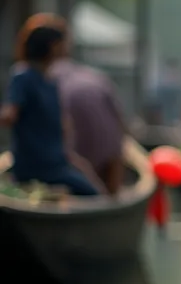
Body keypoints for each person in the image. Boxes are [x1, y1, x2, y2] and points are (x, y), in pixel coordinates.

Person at [1, 22, 103, 196]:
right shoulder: (24, 77)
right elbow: (9, 115)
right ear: (52, 46)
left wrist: (69, 155)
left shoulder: (51, 81)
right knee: (92, 194)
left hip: (56, 162)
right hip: (38, 166)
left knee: (91, 185)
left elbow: (60, 125)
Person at [49, 41, 129, 196]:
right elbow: (120, 120)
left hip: (74, 148)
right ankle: (112, 197)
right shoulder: (95, 77)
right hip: (104, 146)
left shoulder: (47, 77)